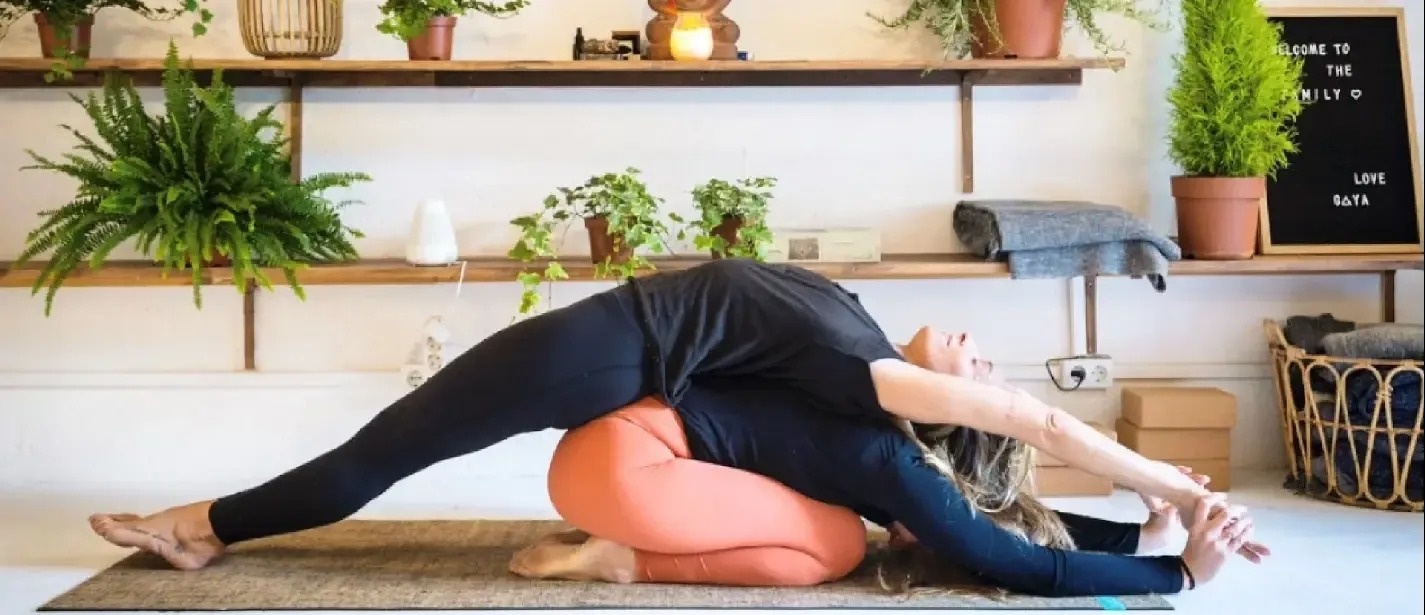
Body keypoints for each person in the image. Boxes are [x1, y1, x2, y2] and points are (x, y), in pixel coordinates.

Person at [88, 259, 1263, 590]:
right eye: (976, 352)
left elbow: (1018, 435)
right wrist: (1152, 510)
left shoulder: (870, 384)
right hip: (602, 360)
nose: (977, 353)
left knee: (379, 456)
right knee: (384, 454)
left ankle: (201, 528)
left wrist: (1159, 512)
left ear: (941, 416)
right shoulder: (847, 333)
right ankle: (210, 523)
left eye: (976, 378)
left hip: (598, 364)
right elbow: (1005, 477)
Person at [505, 380, 1242, 597]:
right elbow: (1019, 563)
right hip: (624, 464)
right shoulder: (900, 471)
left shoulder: (890, 437)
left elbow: (1019, 530)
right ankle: (617, 553)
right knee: (833, 538)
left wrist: (1144, 532)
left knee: (829, 545)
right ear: (953, 486)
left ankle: (616, 556)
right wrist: (1177, 572)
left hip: (613, 468)